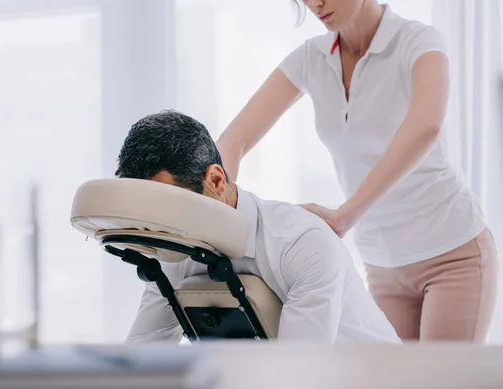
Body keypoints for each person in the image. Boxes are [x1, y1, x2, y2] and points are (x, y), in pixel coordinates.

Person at [215, 0, 498, 342]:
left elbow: (426, 126)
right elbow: (233, 141)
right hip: (381, 264)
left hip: (451, 251)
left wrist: (344, 216)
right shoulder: (311, 59)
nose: (315, 4)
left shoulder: (418, 41)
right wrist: (219, 209)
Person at [116, 110, 400, 344]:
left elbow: (299, 379)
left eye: (168, 207)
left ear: (216, 181)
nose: (162, 229)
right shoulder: (174, 255)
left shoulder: (302, 244)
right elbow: (140, 360)